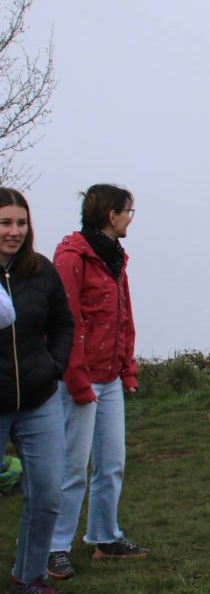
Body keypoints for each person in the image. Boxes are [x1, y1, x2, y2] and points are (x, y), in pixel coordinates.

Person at [48, 184, 146, 582]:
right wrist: (76, 380)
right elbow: (65, 321)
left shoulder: (115, 257)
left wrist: (126, 368)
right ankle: (54, 546)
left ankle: (106, 538)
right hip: (79, 379)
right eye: (128, 212)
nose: (130, 219)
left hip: (109, 378)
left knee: (111, 464)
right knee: (72, 467)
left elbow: (123, 316)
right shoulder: (72, 257)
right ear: (111, 215)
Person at [0, 188, 75, 594]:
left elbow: (63, 323)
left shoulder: (41, 270)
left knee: (46, 494)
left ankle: (28, 578)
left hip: (38, 399)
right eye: (5, 223)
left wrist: (53, 367)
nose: (14, 231)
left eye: (21, 223)